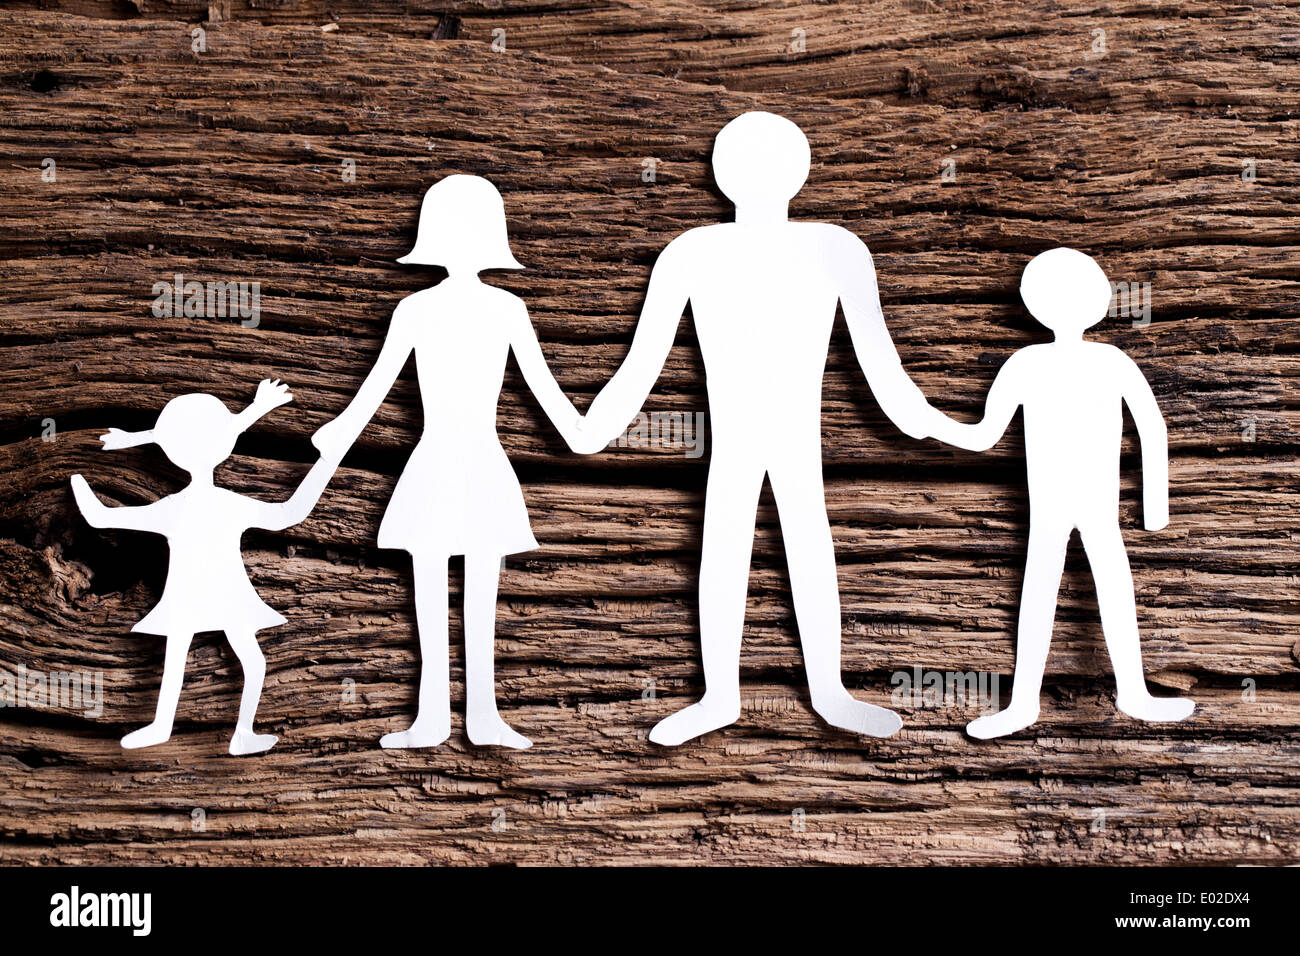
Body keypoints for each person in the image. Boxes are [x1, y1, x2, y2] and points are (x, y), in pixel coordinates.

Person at [571, 112, 944, 745]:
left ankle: (824, 691)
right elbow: (640, 364)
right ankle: (723, 695)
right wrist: (594, 429)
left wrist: (936, 424)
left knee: (786, 542)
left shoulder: (830, 248)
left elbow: (881, 367)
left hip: (788, 437)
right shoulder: (697, 251)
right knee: (738, 545)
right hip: (740, 438)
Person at [313, 175, 586, 750]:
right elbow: (377, 385)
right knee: (439, 589)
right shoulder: (425, 309)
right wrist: (339, 430)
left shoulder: (486, 309)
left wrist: (582, 431)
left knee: (469, 587)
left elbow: (543, 391)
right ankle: (435, 715)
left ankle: (479, 713)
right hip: (442, 460)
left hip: (468, 461)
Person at [927, 247, 1196, 738]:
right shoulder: (1025, 364)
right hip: (1048, 507)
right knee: (1040, 592)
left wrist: (1154, 509)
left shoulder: (1110, 360)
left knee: (1112, 586)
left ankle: (1132, 691)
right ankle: (1024, 702)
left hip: (1097, 505)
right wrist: (932, 425)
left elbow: (1152, 428)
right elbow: (986, 435)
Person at [70, 379, 340, 755]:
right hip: (220, 593)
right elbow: (288, 513)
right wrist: (326, 461)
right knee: (250, 661)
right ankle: (234, 731)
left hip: (194, 594)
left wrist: (84, 480)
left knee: (181, 657)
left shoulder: (172, 507)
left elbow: (100, 517)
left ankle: (172, 726)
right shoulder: (223, 503)